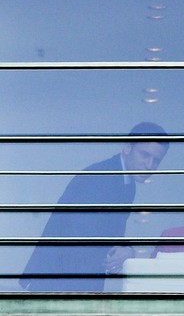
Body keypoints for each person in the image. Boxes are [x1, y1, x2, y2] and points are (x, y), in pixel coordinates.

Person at [20, 122, 169, 292]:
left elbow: (106, 230)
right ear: (127, 147)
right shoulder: (101, 178)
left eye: (156, 160)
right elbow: (82, 232)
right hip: (62, 278)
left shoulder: (124, 180)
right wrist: (121, 252)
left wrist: (126, 250)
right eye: (144, 155)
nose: (150, 165)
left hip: (68, 277)